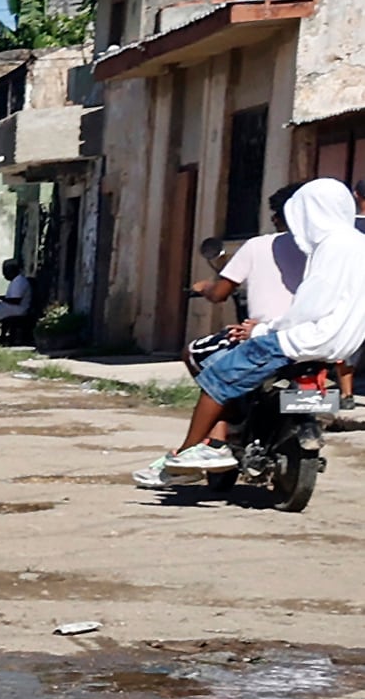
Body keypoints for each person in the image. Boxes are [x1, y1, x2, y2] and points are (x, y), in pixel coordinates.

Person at [147, 178, 365, 485]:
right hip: (342, 345)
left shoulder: (325, 246)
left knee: (217, 377)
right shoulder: (356, 242)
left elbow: (308, 307)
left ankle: (192, 452)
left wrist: (263, 329)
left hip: (300, 337)